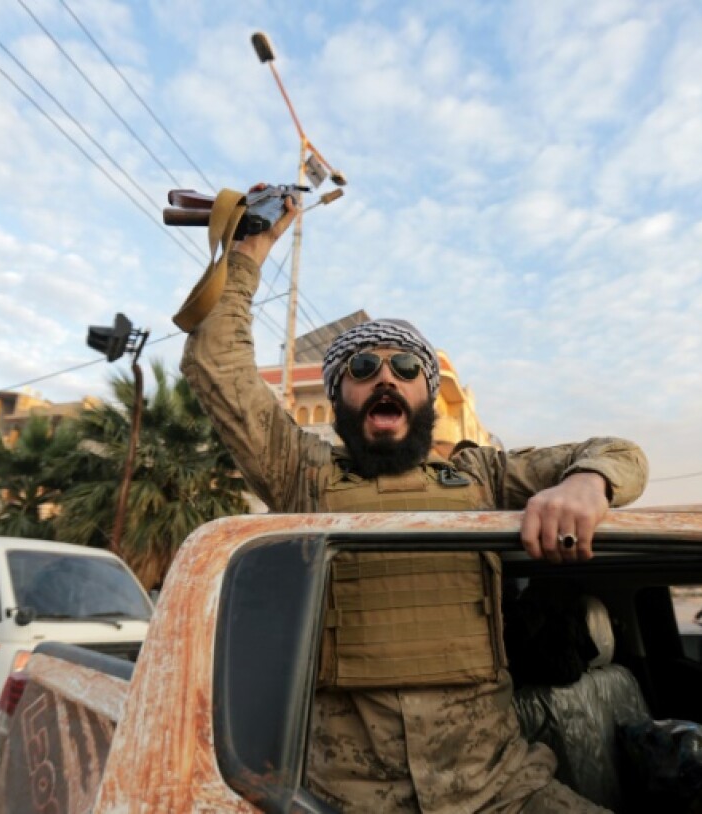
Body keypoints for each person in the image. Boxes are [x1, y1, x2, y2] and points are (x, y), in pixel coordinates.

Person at [180, 190, 649, 814]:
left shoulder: (481, 476)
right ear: (340, 395)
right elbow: (217, 362)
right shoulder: (300, 476)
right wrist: (248, 249)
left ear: (427, 394)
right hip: (343, 799)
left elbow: (618, 450)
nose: (385, 377)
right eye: (363, 366)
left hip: (500, 790)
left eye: (406, 367)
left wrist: (586, 482)